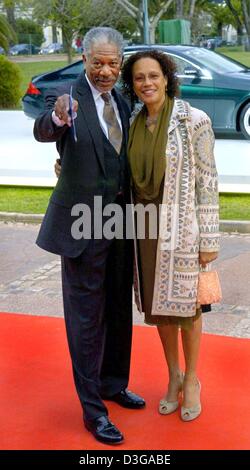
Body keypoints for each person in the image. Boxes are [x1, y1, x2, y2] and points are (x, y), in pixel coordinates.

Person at [33, 27, 145, 446]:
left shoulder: (123, 98)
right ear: (83, 60)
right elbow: (45, 128)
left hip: (120, 221)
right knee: (86, 319)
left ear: (120, 63)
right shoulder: (65, 97)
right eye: (96, 63)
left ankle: (113, 384)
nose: (104, 71)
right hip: (82, 224)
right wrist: (59, 117)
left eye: (112, 63)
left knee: (117, 305)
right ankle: (92, 409)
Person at [121, 50, 220, 421]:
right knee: (159, 308)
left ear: (167, 78)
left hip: (183, 228)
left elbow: (208, 182)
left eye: (154, 76)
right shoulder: (132, 122)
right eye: (139, 78)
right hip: (144, 228)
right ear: (132, 86)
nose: (147, 83)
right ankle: (173, 376)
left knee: (188, 306)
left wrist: (209, 240)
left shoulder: (194, 120)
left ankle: (193, 378)